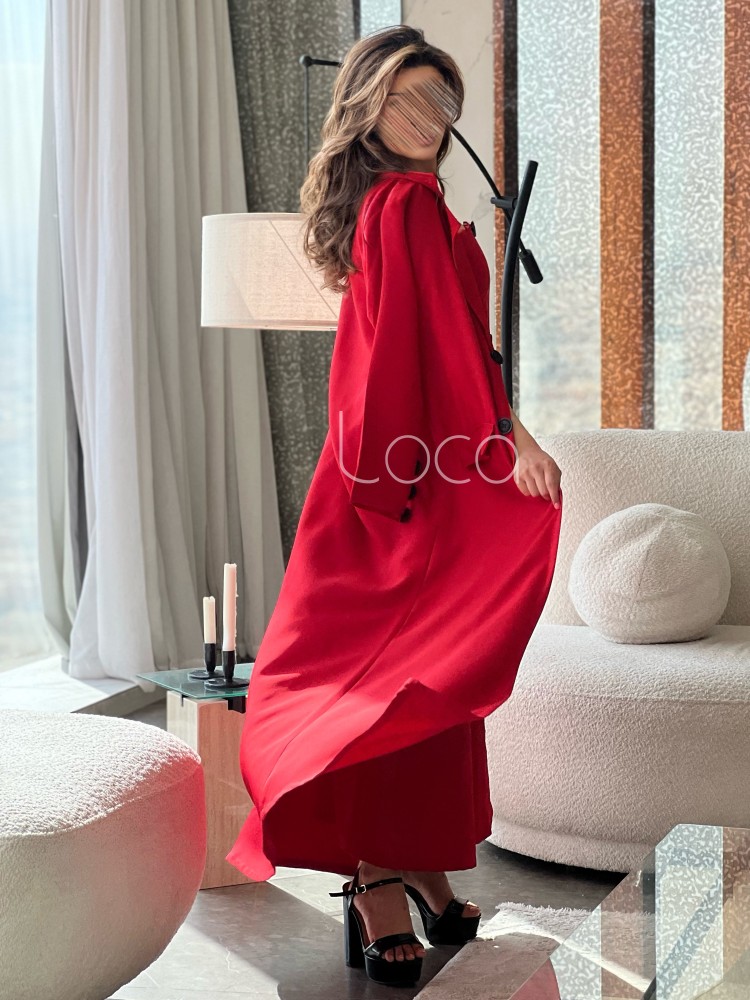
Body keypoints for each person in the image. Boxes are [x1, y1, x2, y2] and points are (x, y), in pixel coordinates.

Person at [225, 25, 564, 989]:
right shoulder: (405, 204)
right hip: (401, 474)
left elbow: (448, 343)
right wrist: (507, 440)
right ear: (368, 108)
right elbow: (422, 353)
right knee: (395, 676)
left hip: (402, 464)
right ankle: (376, 877)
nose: (426, 116)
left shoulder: (404, 202)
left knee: (420, 674)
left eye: (439, 99)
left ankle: (417, 861)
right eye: (406, 97)